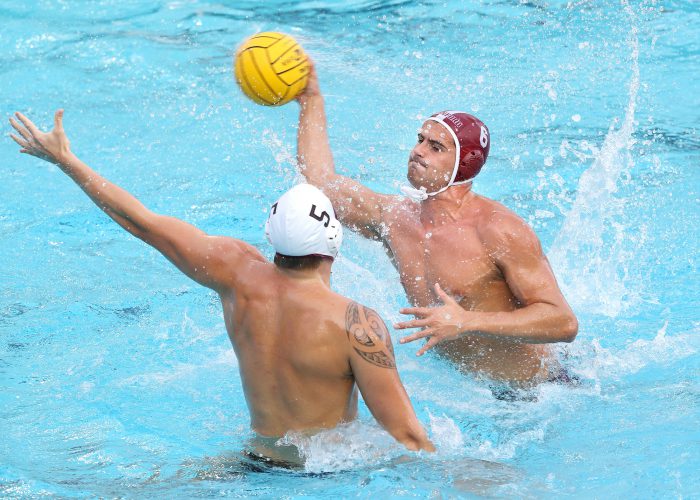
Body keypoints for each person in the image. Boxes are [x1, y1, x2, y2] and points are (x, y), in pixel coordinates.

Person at [8, 110, 434, 467]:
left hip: (250, 463)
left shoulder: (234, 274)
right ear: (335, 244)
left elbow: (143, 222)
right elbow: (409, 438)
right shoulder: (355, 323)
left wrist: (69, 162)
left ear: (271, 234)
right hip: (324, 477)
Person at [293, 63, 579, 385]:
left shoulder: (497, 231)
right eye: (420, 139)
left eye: (435, 146)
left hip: (537, 392)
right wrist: (310, 99)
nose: (417, 151)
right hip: (467, 390)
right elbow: (320, 182)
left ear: (464, 164)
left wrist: (467, 321)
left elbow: (563, 322)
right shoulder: (395, 218)